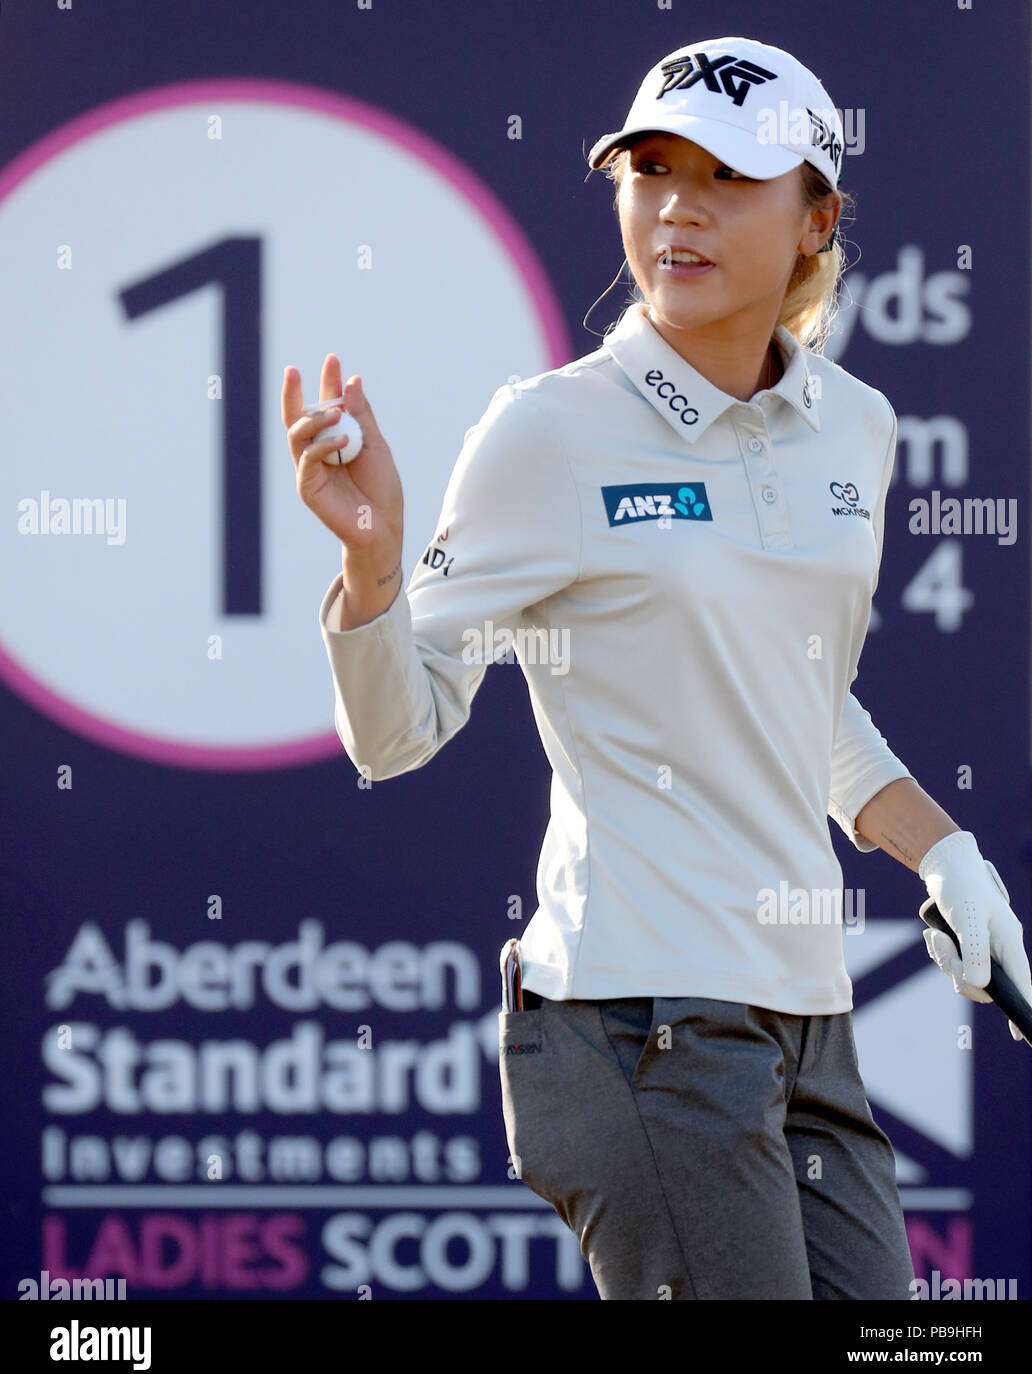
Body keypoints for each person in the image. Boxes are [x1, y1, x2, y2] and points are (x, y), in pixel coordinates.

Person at [281, 35, 1032, 1300]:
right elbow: (395, 730)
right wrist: (372, 574)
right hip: (635, 1027)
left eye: (727, 178)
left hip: (811, 1025)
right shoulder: (548, 431)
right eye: (650, 169)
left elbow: (798, 696)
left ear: (815, 220)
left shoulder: (856, 427)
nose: (677, 206)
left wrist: (945, 852)